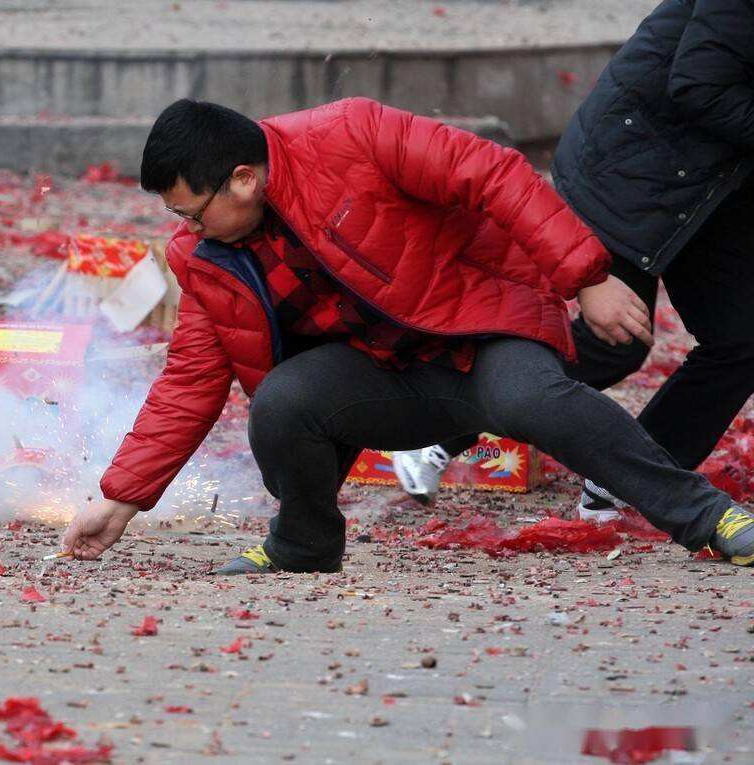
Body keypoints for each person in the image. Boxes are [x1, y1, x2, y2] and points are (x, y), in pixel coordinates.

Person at [60, 97, 754, 573]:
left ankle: (709, 519)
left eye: (194, 213)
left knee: (536, 401)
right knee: (281, 402)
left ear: (244, 178)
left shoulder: (350, 135)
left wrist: (585, 275)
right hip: (382, 380)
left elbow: (494, 174)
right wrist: (121, 500)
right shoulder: (206, 258)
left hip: (480, 332)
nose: (187, 232)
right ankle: (303, 545)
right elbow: (188, 383)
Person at [393, 0, 754, 524]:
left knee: (741, 338)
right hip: (635, 166)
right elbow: (701, 83)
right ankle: (430, 429)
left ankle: (622, 480)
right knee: (617, 342)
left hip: (715, 187)